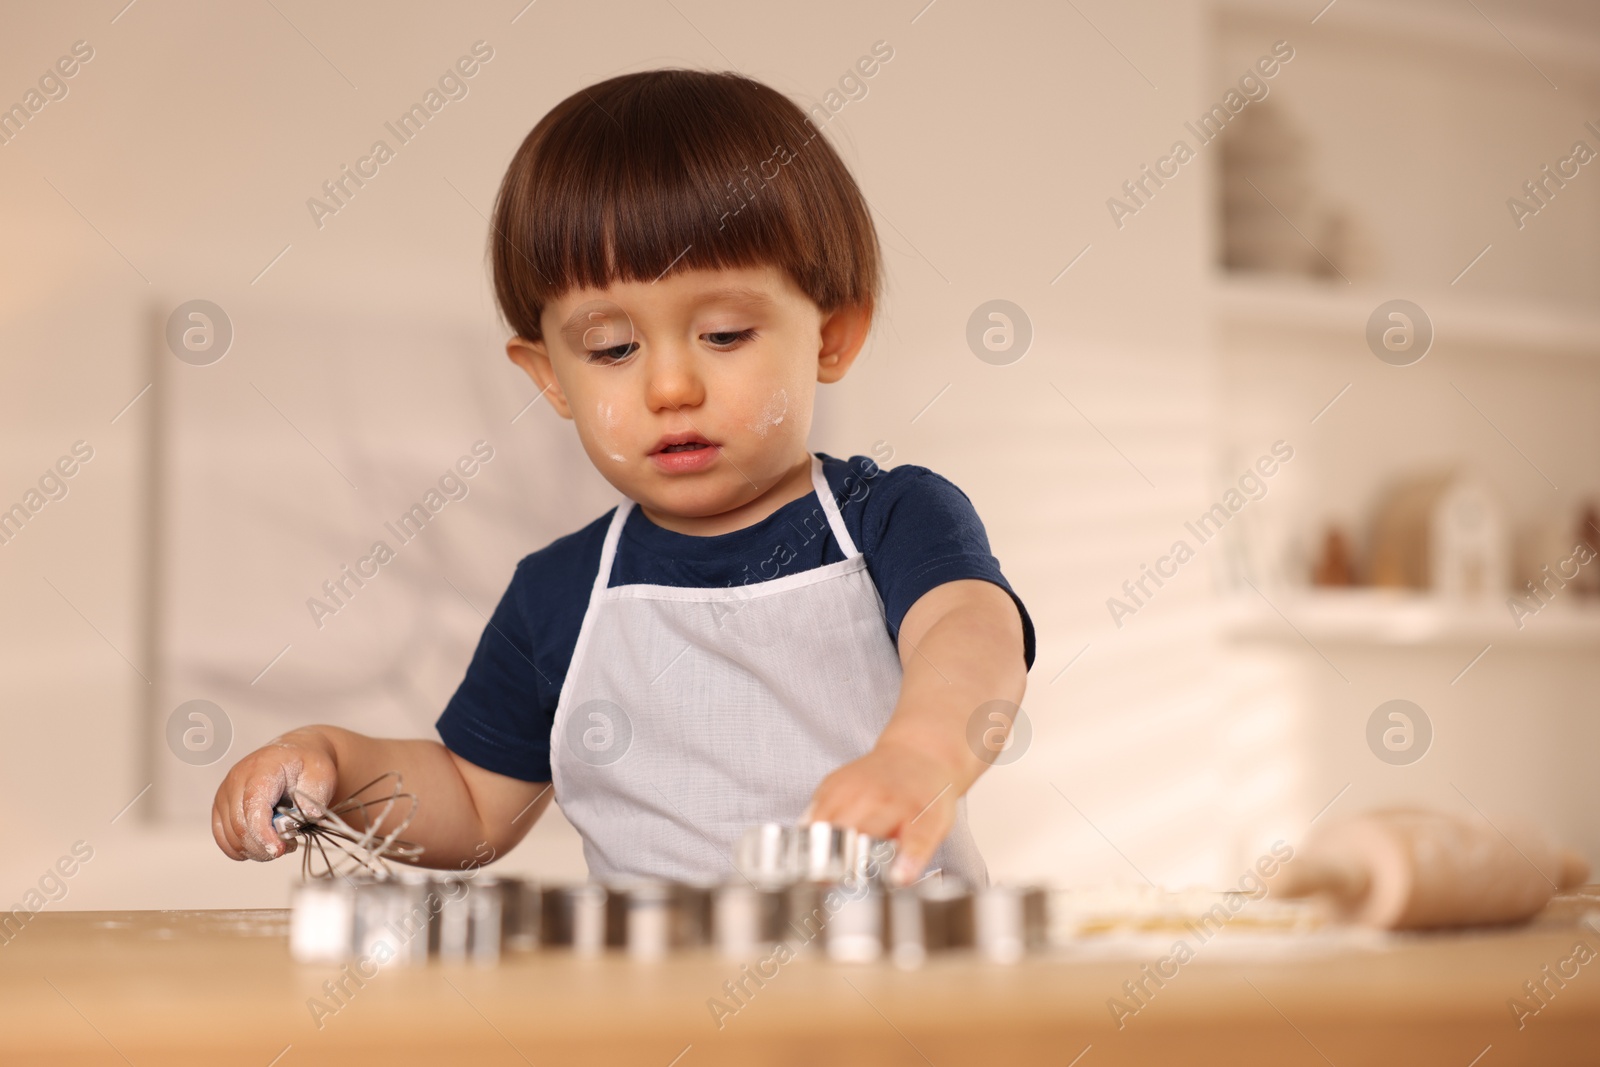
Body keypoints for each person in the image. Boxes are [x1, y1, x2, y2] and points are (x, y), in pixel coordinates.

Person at [213, 69, 1035, 887]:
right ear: (552, 379)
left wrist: (922, 755)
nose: (669, 387)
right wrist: (333, 763)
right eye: (612, 349)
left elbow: (970, 633)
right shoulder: (559, 595)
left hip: (905, 994)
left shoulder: (888, 522)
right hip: (661, 1012)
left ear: (831, 335)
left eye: (722, 333)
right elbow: (470, 802)